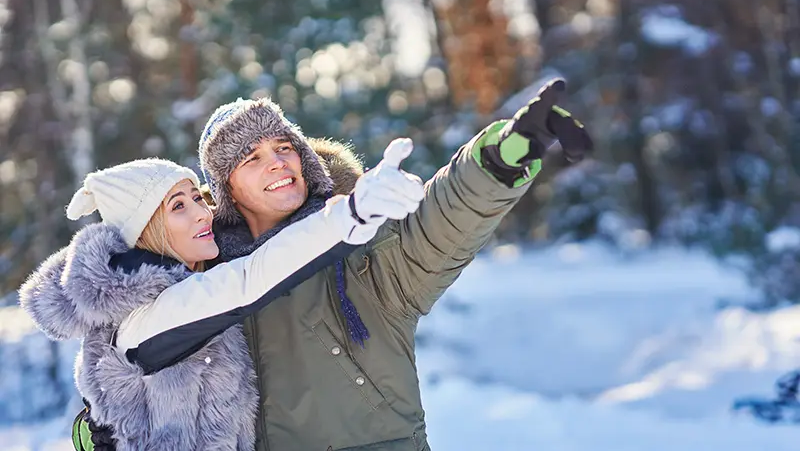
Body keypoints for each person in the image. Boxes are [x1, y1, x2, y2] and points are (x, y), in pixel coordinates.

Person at [87, 77, 593, 450]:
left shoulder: (366, 250)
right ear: (226, 189)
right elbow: (129, 378)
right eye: (252, 158)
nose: (278, 162)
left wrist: (505, 154)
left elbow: (446, 218)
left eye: (284, 148)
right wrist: (97, 431)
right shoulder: (205, 277)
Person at [19, 145, 424, 450]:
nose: (201, 213)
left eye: (198, 197)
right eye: (178, 206)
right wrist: (350, 215)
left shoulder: (182, 289)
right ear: (145, 231)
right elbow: (250, 278)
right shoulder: (149, 318)